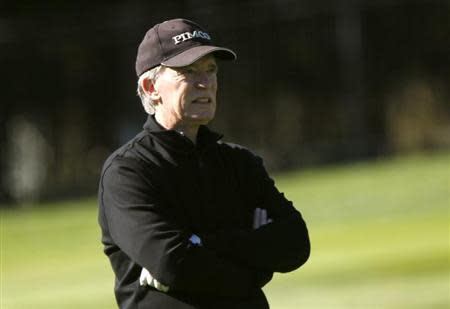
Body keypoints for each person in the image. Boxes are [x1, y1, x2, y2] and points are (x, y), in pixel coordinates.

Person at [98, 18, 310, 309]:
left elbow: (295, 244)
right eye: (188, 71)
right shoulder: (128, 172)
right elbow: (174, 263)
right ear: (150, 87)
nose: (205, 82)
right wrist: (256, 264)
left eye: (211, 70)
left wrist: (203, 244)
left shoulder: (240, 163)